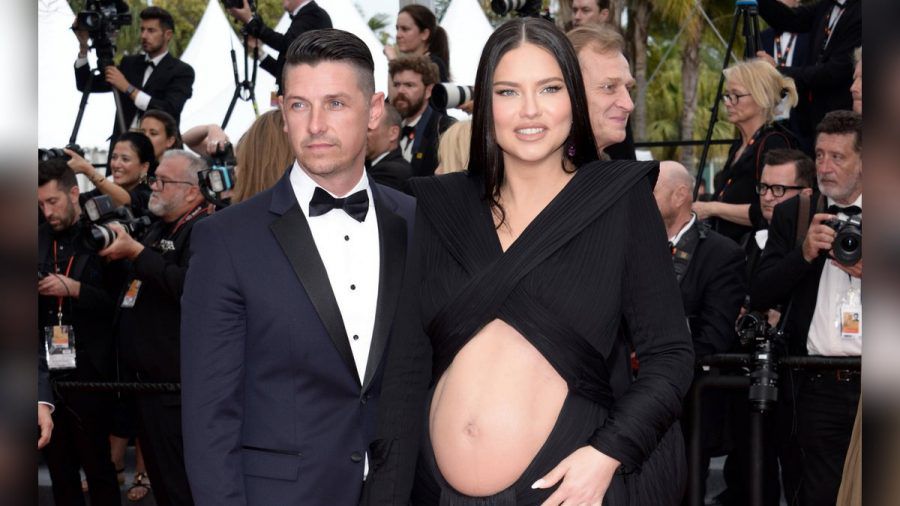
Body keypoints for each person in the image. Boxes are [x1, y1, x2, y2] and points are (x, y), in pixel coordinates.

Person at [368, 17, 694, 505]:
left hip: (566, 489)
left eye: (549, 88)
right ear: (485, 104)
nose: (529, 111)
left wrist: (606, 455)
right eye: (507, 92)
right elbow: (406, 369)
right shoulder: (438, 206)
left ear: (573, 99)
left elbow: (671, 355)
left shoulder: (620, 200)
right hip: (436, 493)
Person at [180, 29, 415, 505]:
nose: (315, 125)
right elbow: (209, 415)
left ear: (373, 111)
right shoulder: (226, 239)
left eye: (335, 103)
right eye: (299, 105)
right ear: (282, 113)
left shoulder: (417, 222)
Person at [750, 110, 862, 506]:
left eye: (838, 156)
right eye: (819, 155)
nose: (825, 167)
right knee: (817, 494)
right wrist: (804, 253)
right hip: (816, 384)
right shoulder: (794, 213)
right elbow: (759, 292)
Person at [99, 150, 213, 506]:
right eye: (154, 180)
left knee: (182, 485)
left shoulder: (207, 229)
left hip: (178, 389)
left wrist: (137, 253)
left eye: (164, 182)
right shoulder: (156, 226)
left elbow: (190, 289)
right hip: (143, 383)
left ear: (193, 191)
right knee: (164, 485)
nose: (154, 188)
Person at [652, 161, 746, 504]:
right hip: (627, 395)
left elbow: (715, 334)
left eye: (651, 188)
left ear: (680, 196)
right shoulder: (629, 242)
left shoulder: (721, 254)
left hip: (689, 401)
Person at [38, 158, 121, 506]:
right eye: (40, 204)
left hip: (92, 371)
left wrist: (76, 290)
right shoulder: (37, 237)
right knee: (59, 471)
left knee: (98, 467)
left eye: (53, 202)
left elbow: (121, 305)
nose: (47, 212)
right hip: (47, 371)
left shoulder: (101, 236)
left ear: (74, 194)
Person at [692, 59, 799, 243]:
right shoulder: (739, 144)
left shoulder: (774, 143)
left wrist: (712, 208)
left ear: (761, 97)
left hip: (753, 254)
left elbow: (772, 210)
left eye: (736, 95)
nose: (728, 103)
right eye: (726, 95)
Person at [74, 6, 195, 153]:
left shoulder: (182, 71)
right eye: (142, 29)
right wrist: (83, 48)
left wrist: (128, 88)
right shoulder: (128, 63)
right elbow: (86, 85)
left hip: (162, 158)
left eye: (151, 30)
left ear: (168, 35)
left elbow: (169, 109)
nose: (144, 35)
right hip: (122, 152)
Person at [755, 0, 861, 154]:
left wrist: (778, 71)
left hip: (840, 121)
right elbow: (791, 19)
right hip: (811, 121)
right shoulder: (827, 5)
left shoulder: (862, 12)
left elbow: (833, 72)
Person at [227, 0, 332, 94]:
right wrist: (259, 52)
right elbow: (284, 73)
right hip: (290, 97)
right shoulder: (306, 17)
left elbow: (287, 45)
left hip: (304, 98)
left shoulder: (314, 15)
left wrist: (250, 21)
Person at [567, 24, 637, 159]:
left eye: (628, 88)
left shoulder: (609, 173)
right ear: (569, 92)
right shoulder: (538, 175)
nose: (629, 105)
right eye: (609, 87)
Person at [390, 55, 456, 177]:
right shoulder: (385, 125)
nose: (400, 91)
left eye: (409, 85)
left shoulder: (445, 130)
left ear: (428, 91)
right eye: (396, 85)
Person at [65, 131, 156, 216]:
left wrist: (88, 170)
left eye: (125, 159)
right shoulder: (103, 191)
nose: (116, 164)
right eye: (114, 157)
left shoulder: (152, 192)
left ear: (144, 167)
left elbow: (126, 203)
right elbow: (74, 203)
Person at [385, 4, 451, 82]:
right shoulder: (407, 64)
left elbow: (402, 92)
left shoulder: (434, 64)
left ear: (424, 34)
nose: (398, 35)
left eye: (405, 29)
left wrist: (393, 62)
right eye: (397, 29)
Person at [366, 103, 413, 192]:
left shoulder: (392, 172)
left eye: (369, 129)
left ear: (393, 133)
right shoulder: (369, 165)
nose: (361, 135)